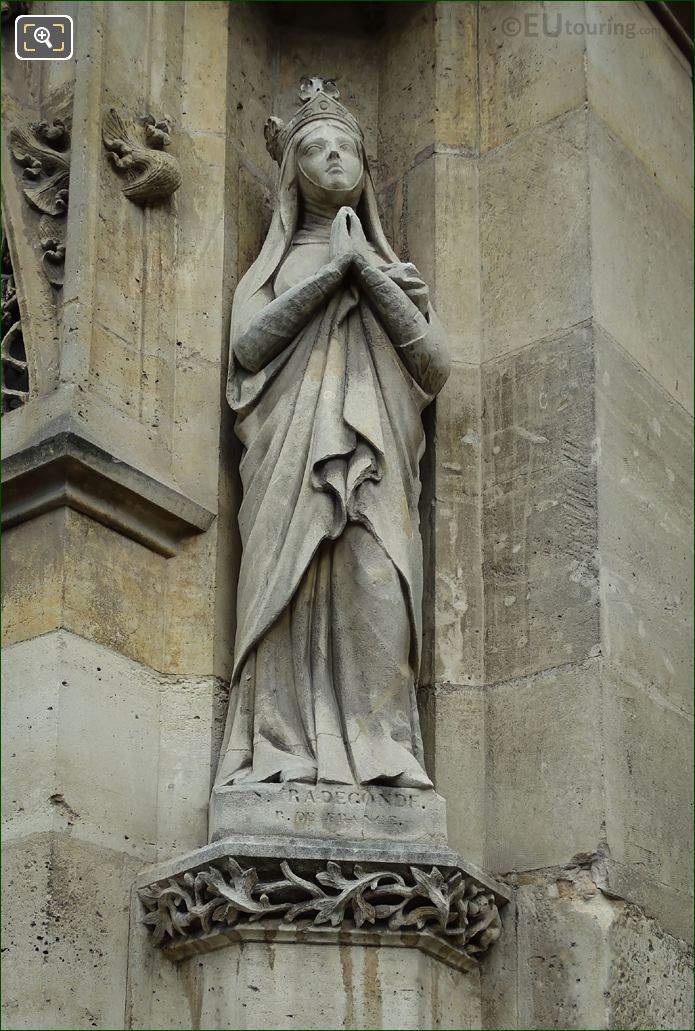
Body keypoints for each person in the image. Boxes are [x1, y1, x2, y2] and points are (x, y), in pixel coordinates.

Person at [215, 79, 449, 790]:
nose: (333, 158)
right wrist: (331, 274)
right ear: (292, 172)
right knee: (286, 591)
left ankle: (384, 747)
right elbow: (249, 347)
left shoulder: (393, 273)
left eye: (345, 147)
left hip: (376, 465)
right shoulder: (274, 267)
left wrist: (366, 273)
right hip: (290, 463)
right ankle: (280, 747)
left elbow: (433, 364)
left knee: (379, 583)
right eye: (314, 149)